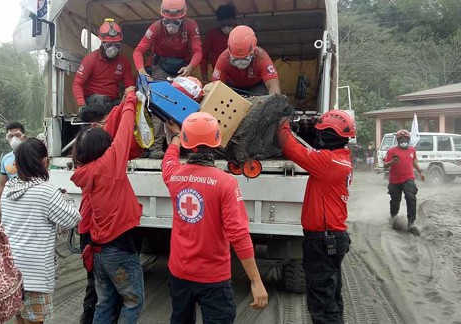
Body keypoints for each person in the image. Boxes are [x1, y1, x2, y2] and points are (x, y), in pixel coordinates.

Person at [162, 112, 268, 323]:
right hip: (213, 278)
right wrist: (255, 280)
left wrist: (175, 137)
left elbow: (169, 159)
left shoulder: (173, 176)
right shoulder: (225, 183)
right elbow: (238, 234)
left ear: (187, 144)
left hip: (179, 273)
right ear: (217, 144)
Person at [70, 91, 144, 324]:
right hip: (120, 249)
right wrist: (131, 100)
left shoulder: (86, 171)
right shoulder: (110, 165)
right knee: (133, 301)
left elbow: (113, 132)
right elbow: (122, 133)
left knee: (105, 302)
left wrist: (122, 105)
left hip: (100, 251)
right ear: (104, 149)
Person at [278, 110, 356, 324]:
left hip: (323, 240)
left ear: (328, 136)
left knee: (321, 304)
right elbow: (314, 145)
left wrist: (281, 121)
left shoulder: (328, 163)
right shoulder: (341, 158)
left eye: (321, 133)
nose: (318, 136)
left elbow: (290, 147)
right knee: (331, 299)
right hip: (331, 237)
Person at [0, 138, 81, 324]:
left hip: (11, 268)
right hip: (35, 273)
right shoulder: (45, 191)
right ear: (44, 162)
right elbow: (72, 219)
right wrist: (66, 198)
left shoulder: (8, 191)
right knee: (35, 321)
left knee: (20, 318)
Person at [133, 0, 202, 159]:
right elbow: (138, 51)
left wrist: (190, 67)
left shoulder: (191, 25)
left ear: (183, 17)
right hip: (160, 68)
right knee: (159, 105)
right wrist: (143, 72)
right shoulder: (156, 27)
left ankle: (188, 146)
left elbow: (198, 51)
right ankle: (156, 147)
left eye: (175, 21)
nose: (170, 24)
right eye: (167, 21)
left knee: (185, 105)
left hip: (182, 69)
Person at [72, 19, 136, 109]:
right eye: (109, 45)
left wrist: (129, 98)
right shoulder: (90, 60)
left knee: (127, 105)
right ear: (102, 43)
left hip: (112, 100)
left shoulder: (124, 62)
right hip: (94, 100)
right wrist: (82, 105)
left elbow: (130, 86)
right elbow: (77, 84)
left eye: (116, 45)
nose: (113, 49)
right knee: (102, 100)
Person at [212, 25, 281, 95]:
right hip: (233, 88)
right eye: (235, 59)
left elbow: (273, 85)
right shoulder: (224, 59)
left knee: (263, 96)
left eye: (245, 59)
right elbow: (215, 87)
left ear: (253, 52)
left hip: (256, 87)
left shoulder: (261, 57)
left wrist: (274, 102)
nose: (240, 63)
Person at [383, 129, 424, 236]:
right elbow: (385, 165)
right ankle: (394, 216)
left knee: (411, 197)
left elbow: (414, 161)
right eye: (401, 138)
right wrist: (392, 162)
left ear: (408, 139)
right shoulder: (392, 151)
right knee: (395, 200)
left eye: (405, 138)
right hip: (394, 180)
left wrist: (420, 171)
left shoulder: (412, 150)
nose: (403, 140)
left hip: (408, 178)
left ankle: (411, 223)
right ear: (398, 140)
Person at [0, 121, 26, 219]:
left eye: (17, 135)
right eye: (10, 136)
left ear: (23, 136)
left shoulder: (32, 155)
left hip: (28, 201)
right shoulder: (6, 159)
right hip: (11, 203)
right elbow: (1, 184)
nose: (14, 139)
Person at [200, 4, 237, 82]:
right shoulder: (212, 34)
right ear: (218, 21)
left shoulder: (241, 32)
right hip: (219, 77)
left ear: (234, 19)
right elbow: (204, 56)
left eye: (229, 22)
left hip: (238, 78)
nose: (226, 25)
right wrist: (205, 78)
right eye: (223, 23)